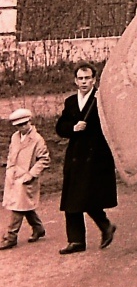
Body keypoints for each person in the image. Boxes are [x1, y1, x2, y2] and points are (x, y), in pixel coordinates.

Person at [56, 62, 117, 254]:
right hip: (75, 155)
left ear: (94, 80)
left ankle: (105, 224)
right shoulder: (71, 102)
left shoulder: (101, 100)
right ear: (75, 81)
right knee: (72, 197)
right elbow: (60, 127)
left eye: (87, 78)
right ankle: (76, 240)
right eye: (80, 78)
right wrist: (73, 128)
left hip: (96, 156)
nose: (84, 82)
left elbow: (112, 125)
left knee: (85, 195)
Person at [1, 109, 50, 250]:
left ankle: (11, 236)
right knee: (23, 205)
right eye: (18, 125)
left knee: (18, 206)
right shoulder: (15, 137)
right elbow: (12, 154)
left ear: (30, 122)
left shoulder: (37, 139)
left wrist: (32, 174)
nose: (22, 127)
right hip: (14, 175)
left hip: (27, 177)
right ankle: (38, 227)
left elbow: (44, 159)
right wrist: (10, 169)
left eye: (24, 124)